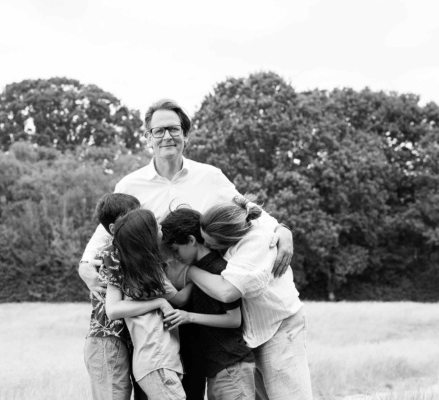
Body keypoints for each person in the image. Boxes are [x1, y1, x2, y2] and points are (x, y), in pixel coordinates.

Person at [80, 97, 293, 300]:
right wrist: (86, 263)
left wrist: (280, 229)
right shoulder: (130, 185)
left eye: (174, 129)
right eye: (159, 131)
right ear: (148, 138)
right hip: (157, 292)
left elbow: (245, 208)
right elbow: (109, 227)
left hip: (205, 289)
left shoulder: (210, 176)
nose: (167, 136)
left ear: (185, 136)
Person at [188, 196, 313, 400]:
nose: (207, 247)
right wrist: (284, 228)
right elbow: (253, 207)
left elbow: (227, 291)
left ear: (228, 239)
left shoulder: (255, 242)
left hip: (279, 328)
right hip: (254, 335)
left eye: (210, 243)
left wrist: (189, 270)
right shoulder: (240, 218)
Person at [160, 208, 256, 400]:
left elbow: (234, 319)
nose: (176, 256)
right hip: (218, 368)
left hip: (231, 366)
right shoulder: (200, 270)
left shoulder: (219, 269)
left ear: (191, 240)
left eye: (176, 249)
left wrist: (189, 317)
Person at [102, 209, 187, 400]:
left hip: (157, 360)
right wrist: (196, 276)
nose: (161, 228)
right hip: (157, 360)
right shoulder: (150, 273)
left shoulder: (135, 272)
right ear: (147, 237)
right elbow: (180, 299)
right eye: (156, 226)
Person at [83, 193, 144, 400]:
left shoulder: (125, 253)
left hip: (122, 341)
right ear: (112, 229)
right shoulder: (111, 256)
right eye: (130, 218)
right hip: (107, 342)